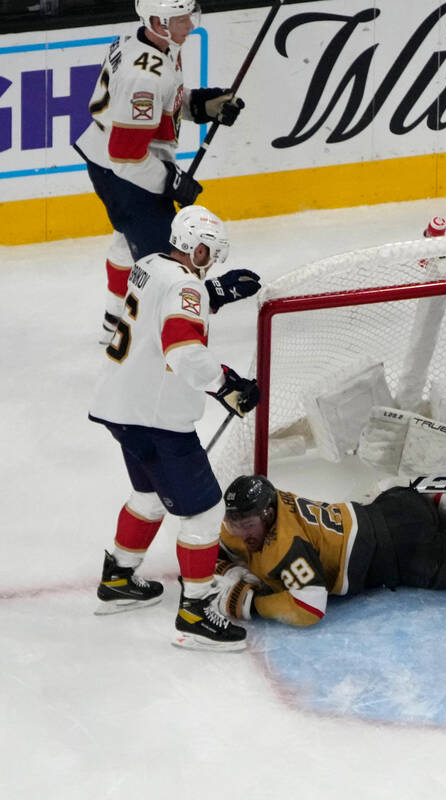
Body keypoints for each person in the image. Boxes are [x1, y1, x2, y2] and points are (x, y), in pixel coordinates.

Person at [90, 204, 262, 652]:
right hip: (156, 419)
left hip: (121, 406)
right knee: (204, 512)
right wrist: (227, 384)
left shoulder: (148, 264)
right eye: (209, 253)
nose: (211, 262)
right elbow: (183, 350)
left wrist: (214, 293)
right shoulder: (186, 285)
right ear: (195, 247)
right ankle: (195, 616)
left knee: (148, 496)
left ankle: (118, 578)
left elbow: (161, 308)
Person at [73, 0, 246, 341]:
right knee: (166, 258)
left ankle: (114, 320)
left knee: (126, 239)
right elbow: (125, 156)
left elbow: (163, 104)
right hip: (126, 174)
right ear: (158, 21)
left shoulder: (147, 44)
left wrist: (201, 106)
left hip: (112, 162)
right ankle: (152, 333)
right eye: (182, 19)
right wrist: (170, 181)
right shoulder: (146, 76)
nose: (190, 25)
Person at [214, 476, 446, 627]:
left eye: (246, 524)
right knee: (399, 492)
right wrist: (232, 570)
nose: (239, 532)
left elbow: (309, 607)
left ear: (268, 515)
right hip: (395, 502)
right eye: (233, 522)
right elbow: (222, 548)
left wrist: (252, 605)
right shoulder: (260, 511)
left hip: (410, 552)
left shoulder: (287, 545)